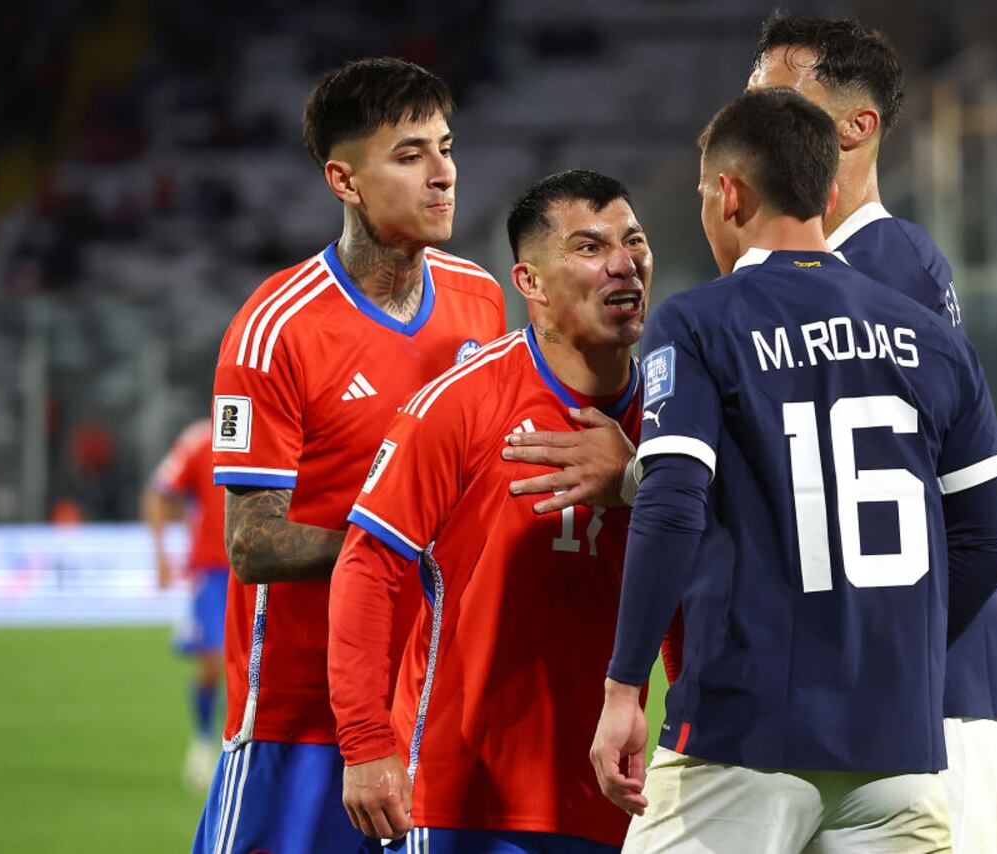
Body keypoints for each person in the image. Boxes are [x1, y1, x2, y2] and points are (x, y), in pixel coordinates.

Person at [591, 88, 997, 853]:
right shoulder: (932, 337)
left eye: (699, 196)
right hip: (899, 744)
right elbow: (987, 538)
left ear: (729, 193)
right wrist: (896, 648)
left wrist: (625, 686)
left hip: (746, 729)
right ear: (825, 191)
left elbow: (673, 507)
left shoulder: (699, 321)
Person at [193, 57, 507, 854]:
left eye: (447, 147)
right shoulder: (277, 328)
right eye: (409, 155)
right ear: (345, 180)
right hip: (301, 721)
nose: (444, 175)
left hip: (435, 706)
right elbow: (251, 542)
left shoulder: (480, 298)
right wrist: (391, 552)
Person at [748, 16, 997, 853]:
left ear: (853, 128)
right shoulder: (827, 268)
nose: (745, 121)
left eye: (773, 101)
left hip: (927, 696)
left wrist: (637, 474)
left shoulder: (883, 268)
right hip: (871, 687)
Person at [327, 170, 650, 851]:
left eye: (634, 241)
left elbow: (686, 588)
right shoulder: (463, 402)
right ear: (528, 283)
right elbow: (366, 568)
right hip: (459, 796)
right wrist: (364, 744)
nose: (624, 263)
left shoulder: (674, 416)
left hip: (606, 795)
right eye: (590, 247)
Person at [141, 417, 228, 791]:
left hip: (262, 569)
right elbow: (159, 493)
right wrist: (160, 554)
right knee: (213, 664)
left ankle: (240, 751)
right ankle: (204, 742)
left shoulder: (275, 429)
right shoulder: (199, 440)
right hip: (211, 572)